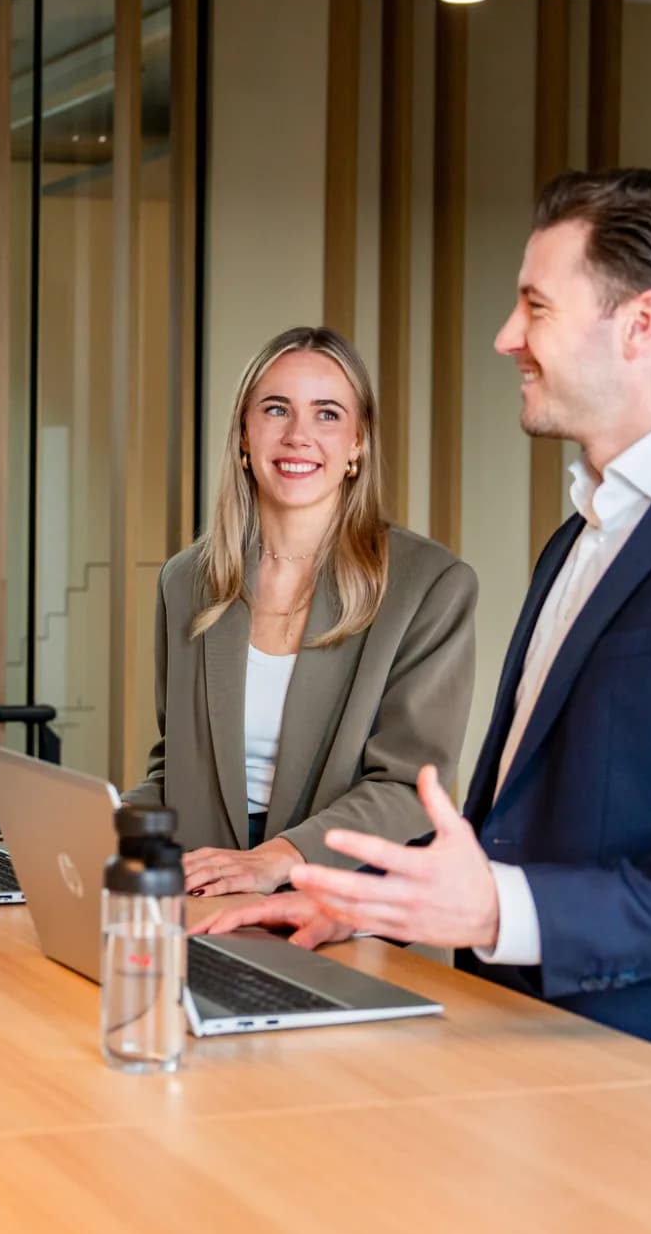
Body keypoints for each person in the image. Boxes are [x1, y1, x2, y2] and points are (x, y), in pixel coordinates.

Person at [196, 169, 651, 1102]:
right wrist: (370, 895)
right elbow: (543, 818)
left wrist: (500, 908)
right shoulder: (578, 537)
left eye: (535, 306)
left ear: (641, 323)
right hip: (527, 1059)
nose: (506, 338)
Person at [124, 326, 477, 898]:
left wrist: (277, 860)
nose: (298, 436)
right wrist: (103, 825)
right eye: (276, 409)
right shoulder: (186, 581)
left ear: (358, 442)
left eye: (328, 414)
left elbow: (408, 786)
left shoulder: (430, 585)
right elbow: (175, 767)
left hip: (356, 907)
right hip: (206, 900)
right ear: (244, 433)